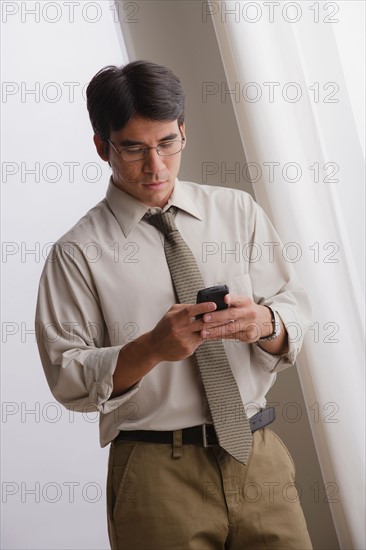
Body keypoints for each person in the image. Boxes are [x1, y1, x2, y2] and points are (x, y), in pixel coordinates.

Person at [36, 60, 312, 549]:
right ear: (102, 146)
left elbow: (294, 311)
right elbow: (67, 376)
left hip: (258, 453)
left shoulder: (237, 211)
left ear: (183, 131)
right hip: (156, 475)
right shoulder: (76, 253)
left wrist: (264, 323)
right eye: (135, 149)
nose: (155, 166)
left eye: (167, 143)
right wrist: (151, 348)